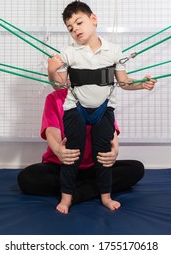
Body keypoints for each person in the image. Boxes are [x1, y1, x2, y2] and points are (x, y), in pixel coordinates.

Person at [47, 1, 157, 214]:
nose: (75, 29)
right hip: (75, 108)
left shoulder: (114, 51)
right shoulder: (69, 52)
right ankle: (66, 197)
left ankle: (105, 197)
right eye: (70, 28)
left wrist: (141, 84)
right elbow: (59, 84)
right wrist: (52, 71)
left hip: (104, 110)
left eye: (79, 22)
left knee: (104, 154)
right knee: (71, 153)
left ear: (93, 19)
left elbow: (124, 83)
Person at [17, 88, 146, 210]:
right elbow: (51, 130)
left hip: (93, 167)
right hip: (62, 165)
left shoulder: (100, 97)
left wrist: (115, 151)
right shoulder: (54, 98)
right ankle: (91, 187)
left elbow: (109, 128)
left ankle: (75, 193)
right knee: (27, 179)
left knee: (135, 169)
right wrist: (58, 150)